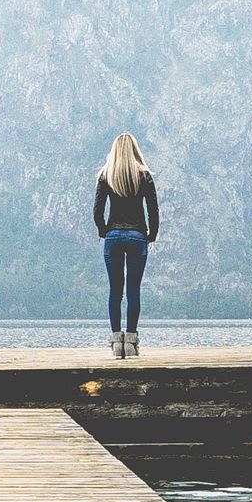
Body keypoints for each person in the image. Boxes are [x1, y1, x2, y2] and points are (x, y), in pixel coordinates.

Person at [93, 133, 158, 358]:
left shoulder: (106, 175)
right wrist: (151, 234)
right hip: (137, 235)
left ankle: (115, 342)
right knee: (133, 291)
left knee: (115, 291)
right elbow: (153, 210)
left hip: (113, 236)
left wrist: (104, 230)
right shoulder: (144, 175)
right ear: (134, 151)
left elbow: (97, 211)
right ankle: (131, 341)